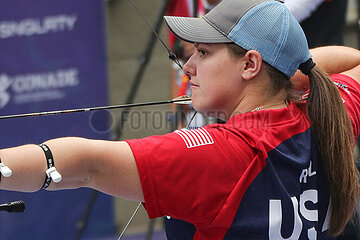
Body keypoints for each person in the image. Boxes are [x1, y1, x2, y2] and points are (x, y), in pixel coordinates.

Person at [0, 0, 359, 239]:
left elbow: (84, 162)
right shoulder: (328, 113)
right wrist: (285, 78)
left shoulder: (217, 155)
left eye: (203, 53)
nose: (188, 66)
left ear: (250, 64)